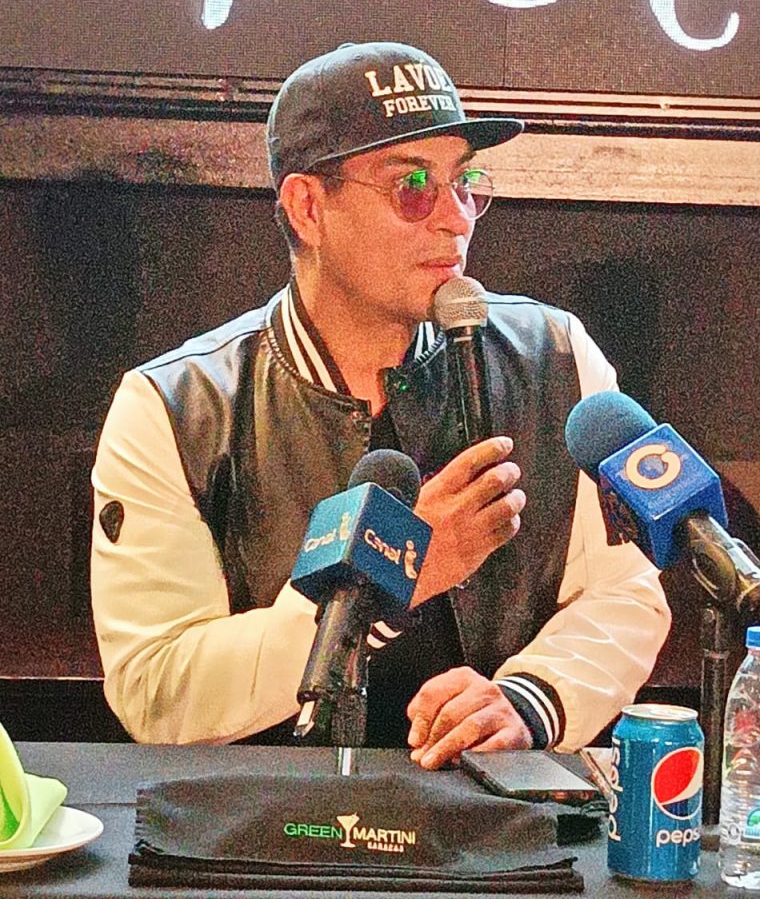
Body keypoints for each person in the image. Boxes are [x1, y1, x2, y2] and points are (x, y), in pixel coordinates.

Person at [90, 41, 671, 766]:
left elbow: (626, 593)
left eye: (465, 182)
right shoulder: (176, 406)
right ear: (308, 208)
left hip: (500, 814)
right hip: (276, 815)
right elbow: (157, 691)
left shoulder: (557, 355)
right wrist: (394, 575)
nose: (456, 218)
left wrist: (531, 698)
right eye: (413, 186)